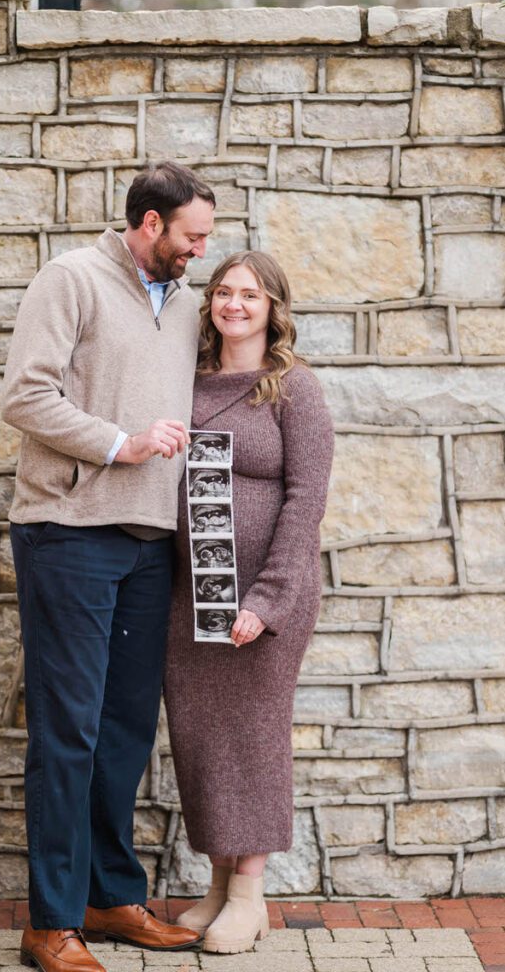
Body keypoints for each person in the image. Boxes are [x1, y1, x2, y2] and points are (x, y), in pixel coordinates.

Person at [1, 162, 216, 972]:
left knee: (124, 731)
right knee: (69, 730)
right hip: (68, 533)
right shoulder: (71, 279)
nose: (200, 250)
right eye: (192, 235)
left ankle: (109, 897)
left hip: (149, 541)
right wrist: (119, 444)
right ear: (150, 223)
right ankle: (51, 922)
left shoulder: (186, 303)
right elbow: (24, 397)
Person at [164, 250, 334, 954]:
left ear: (272, 309)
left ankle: (249, 895)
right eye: (224, 292)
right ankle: (216, 883)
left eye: (251, 295)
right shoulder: (187, 379)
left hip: (267, 595)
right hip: (191, 594)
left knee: (254, 736)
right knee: (200, 737)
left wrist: (266, 600)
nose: (234, 304)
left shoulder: (293, 387)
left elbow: (306, 501)